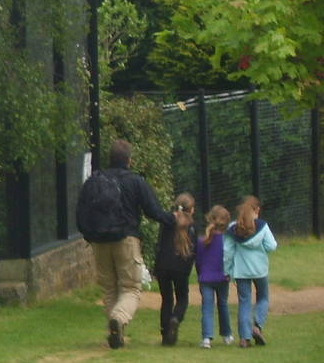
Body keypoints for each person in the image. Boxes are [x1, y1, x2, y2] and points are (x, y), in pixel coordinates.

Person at [76, 138, 176, 349]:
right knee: (131, 288)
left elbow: (80, 212)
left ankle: (116, 333)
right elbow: (153, 211)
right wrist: (174, 220)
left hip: (99, 241)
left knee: (110, 289)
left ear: (109, 159)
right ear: (129, 160)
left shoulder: (94, 180)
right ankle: (119, 320)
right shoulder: (135, 181)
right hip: (126, 239)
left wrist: (89, 236)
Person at [224, 195, 278, 347]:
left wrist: (226, 271)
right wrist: (262, 249)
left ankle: (244, 338)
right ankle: (257, 326)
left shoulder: (233, 228)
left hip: (241, 271)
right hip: (260, 269)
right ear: (256, 210)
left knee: (244, 302)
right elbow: (272, 245)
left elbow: (227, 252)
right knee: (263, 298)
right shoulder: (262, 226)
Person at [152, 193, 196, 345]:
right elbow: (193, 250)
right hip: (181, 267)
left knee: (167, 299)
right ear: (191, 210)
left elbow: (159, 243)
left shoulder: (167, 221)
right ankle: (175, 318)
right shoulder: (192, 226)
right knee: (182, 297)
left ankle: (165, 334)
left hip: (163, 265)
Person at [194, 204, 233, 347]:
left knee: (207, 307)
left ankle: (206, 338)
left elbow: (198, 261)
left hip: (205, 278)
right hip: (223, 277)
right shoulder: (227, 241)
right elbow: (229, 259)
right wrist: (229, 273)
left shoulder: (201, 240)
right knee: (223, 305)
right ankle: (227, 335)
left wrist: (201, 274)